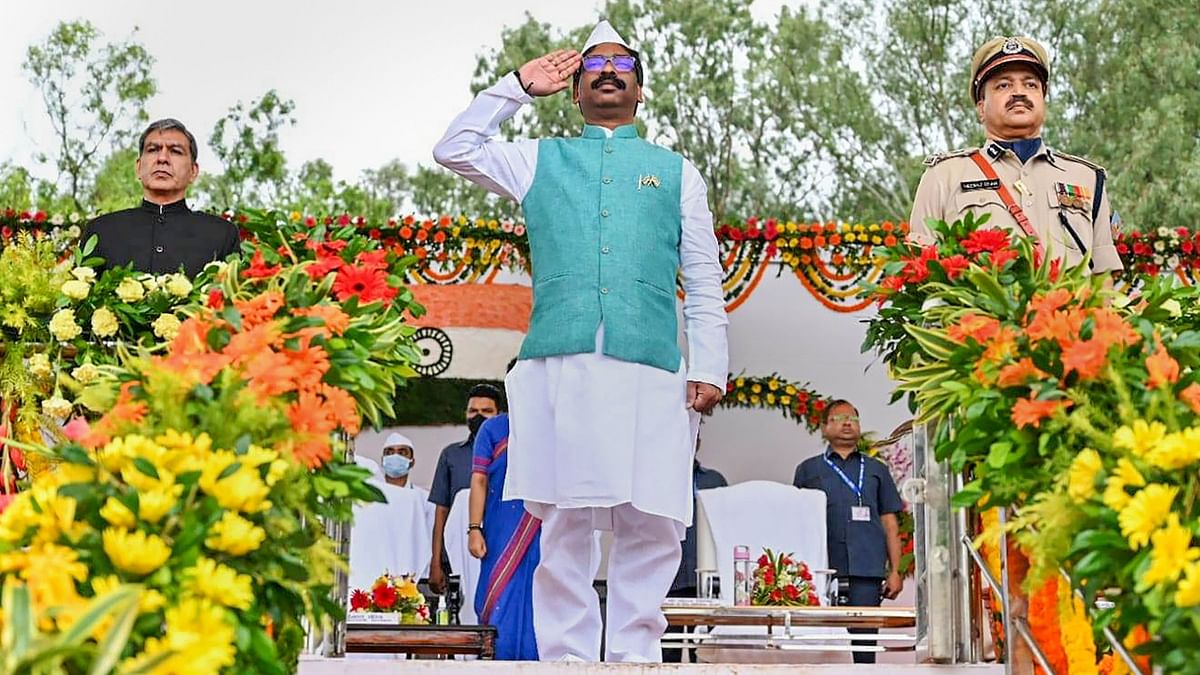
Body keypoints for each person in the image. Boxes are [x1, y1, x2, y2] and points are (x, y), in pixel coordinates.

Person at [434, 20, 728, 662]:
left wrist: (711, 367)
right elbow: (453, 148)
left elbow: (705, 277)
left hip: (651, 367)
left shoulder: (678, 171)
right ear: (574, 89)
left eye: (621, 62)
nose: (607, 71)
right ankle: (565, 656)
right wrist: (516, 87)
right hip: (560, 365)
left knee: (651, 520)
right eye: (593, 63)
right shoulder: (541, 157)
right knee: (563, 517)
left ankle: (636, 655)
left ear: (640, 90)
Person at [908, 36, 1123, 276]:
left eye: (1030, 84)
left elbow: (1103, 275)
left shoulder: (1087, 178)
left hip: (1067, 313)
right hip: (977, 312)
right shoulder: (943, 175)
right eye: (1003, 85)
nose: (1019, 92)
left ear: (1043, 100)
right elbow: (921, 271)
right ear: (981, 107)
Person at [793, 400, 903, 664]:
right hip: (822, 569)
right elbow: (797, 522)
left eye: (853, 418)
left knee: (864, 644)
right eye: (840, 418)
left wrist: (895, 571)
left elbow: (890, 522)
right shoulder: (808, 470)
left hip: (866, 568)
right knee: (820, 641)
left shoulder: (876, 469)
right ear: (824, 427)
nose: (847, 423)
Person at [83, 118, 240, 277]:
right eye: (153, 149)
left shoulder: (221, 234)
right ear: (138, 168)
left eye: (175, 151)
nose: (162, 158)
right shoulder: (101, 231)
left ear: (193, 171)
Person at [467, 411, 539, 660]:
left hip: (545, 524)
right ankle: (498, 660)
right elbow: (479, 480)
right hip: (501, 526)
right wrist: (474, 528)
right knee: (498, 591)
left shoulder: (553, 420)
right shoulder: (493, 429)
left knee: (541, 594)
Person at [427, 383, 502, 594]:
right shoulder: (451, 454)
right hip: (459, 549)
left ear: (500, 415)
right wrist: (436, 561)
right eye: (473, 411)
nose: (478, 417)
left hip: (500, 544)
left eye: (486, 411)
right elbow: (441, 511)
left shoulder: (510, 452)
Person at [663, 432, 727, 664]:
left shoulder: (714, 480)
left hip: (708, 575)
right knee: (668, 644)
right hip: (671, 573)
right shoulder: (661, 478)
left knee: (708, 648)